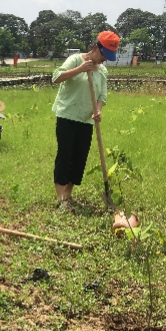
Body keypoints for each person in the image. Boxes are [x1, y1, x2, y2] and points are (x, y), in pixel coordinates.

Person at [51, 31, 119, 211]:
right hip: (67, 116)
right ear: (96, 47)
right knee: (65, 156)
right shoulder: (75, 59)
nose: (105, 60)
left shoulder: (103, 71)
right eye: (104, 55)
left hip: (87, 120)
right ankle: (60, 200)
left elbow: (102, 96)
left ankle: (68, 195)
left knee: (79, 158)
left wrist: (98, 111)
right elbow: (56, 77)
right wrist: (80, 69)